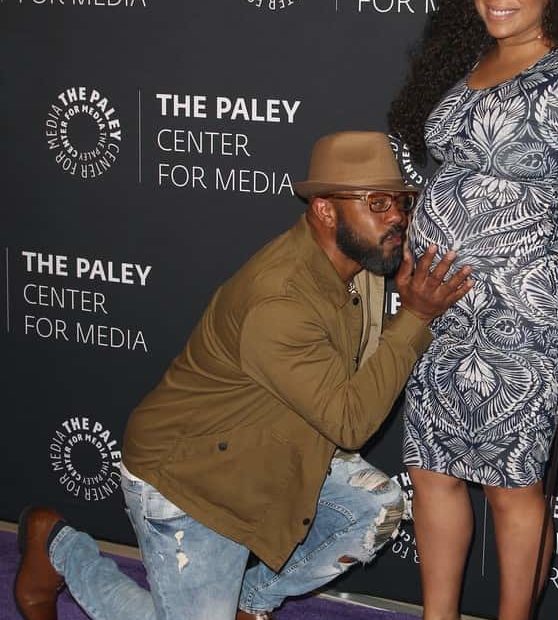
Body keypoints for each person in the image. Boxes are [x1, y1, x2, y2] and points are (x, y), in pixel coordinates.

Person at [14, 130, 473, 620]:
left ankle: (248, 605)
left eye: (401, 202)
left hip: (266, 450)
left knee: (374, 506)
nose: (397, 218)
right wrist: (416, 318)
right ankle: (60, 548)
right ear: (324, 209)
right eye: (377, 203)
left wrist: (402, 315)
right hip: (191, 482)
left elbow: (353, 376)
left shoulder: (357, 265)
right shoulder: (280, 301)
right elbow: (351, 421)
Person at [389, 1, 558, 619]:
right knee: (431, 471)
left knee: (511, 488)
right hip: (439, 309)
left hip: (524, 315)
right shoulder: (471, 59)